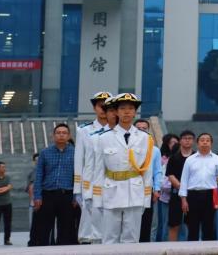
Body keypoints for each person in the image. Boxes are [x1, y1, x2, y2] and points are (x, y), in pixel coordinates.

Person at [90, 93, 153, 244]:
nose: (126, 112)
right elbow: (98, 170)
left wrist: (146, 199)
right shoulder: (103, 138)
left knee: (131, 238)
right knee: (109, 238)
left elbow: (147, 170)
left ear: (135, 112)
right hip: (111, 191)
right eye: (122, 108)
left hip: (135, 192)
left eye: (131, 108)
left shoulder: (144, 138)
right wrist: (97, 199)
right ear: (116, 112)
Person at [74, 91, 111, 244]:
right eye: (100, 106)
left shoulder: (116, 129)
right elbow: (79, 160)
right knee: (89, 225)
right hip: (90, 182)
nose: (103, 109)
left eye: (107, 106)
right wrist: (77, 188)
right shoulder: (84, 130)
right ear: (94, 108)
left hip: (110, 181)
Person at [33, 122, 78, 246]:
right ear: (53, 136)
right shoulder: (45, 153)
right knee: (45, 229)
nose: (61, 135)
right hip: (48, 195)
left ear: (69, 136)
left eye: (64, 133)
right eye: (58, 133)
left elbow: (78, 176)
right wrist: (37, 196)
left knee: (66, 229)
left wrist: (76, 196)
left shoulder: (76, 153)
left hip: (67, 195)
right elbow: (39, 175)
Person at [180, 133, 218, 241]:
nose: (205, 142)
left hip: (211, 195)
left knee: (209, 227)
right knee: (192, 226)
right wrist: (183, 199)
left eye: (207, 140)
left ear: (211, 143)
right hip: (193, 195)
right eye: (202, 140)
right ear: (197, 143)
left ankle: (209, 249)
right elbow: (184, 180)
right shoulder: (190, 159)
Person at [134, 118, 162, 242]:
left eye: (144, 129)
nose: (141, 131)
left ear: (148, 130)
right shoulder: (128, 147)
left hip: (147, 189)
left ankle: (144, 245)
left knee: (146, 220)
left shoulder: (155, 150)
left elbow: (157, 171)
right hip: (130, 188)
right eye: (138, 129)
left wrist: (157, 189)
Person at [166, 131, 195, 241]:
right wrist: (181, 187)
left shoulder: (196, 156)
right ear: (180, 141)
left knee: (193, 224)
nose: (187, 140)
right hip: (176, 194)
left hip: (193, 194)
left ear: (193, 141)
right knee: (174, 224)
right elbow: (170, 175)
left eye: (190, 138)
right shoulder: (174, 158)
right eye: (185, 138)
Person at [156, 133, 178, 242]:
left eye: (175, 142)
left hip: (182, 195)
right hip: (165, 196)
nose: (174, 144)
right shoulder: (162, 159)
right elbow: (161, 178)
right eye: (171, 143)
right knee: (164, 222)